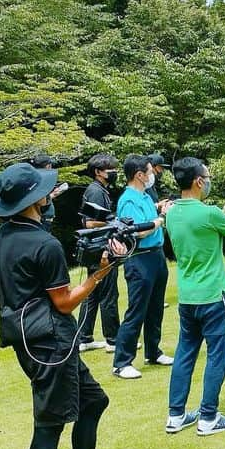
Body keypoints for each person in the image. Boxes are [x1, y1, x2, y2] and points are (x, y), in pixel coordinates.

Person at [0, 163, 120, 449]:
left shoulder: (5, 234)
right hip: (51, 344)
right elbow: (65, 303)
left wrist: (18, 316)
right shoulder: (45, 244)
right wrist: (102, 271)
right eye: (45, 190)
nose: (50, 193)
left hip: (41, 341)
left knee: (94, 402)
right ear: (34, 199)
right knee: (49, 425)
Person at [163, 158, 225, 436]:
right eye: (207, 176)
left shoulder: (172, 212)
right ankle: (208, 417)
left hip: (188, 296)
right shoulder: (209, 213)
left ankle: (176, 415)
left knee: (185, 353)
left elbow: (202, 222)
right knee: (218, 355)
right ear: (199, 181)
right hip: (214, 295)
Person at [111, 154, 172, 379]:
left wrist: (158, 207)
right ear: (139, 175)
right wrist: (160, 219)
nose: (152, 175)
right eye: (149, 171)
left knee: (155, 308)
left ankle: (153, 352)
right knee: (137, 310)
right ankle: (121, 362)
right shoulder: (128, 200)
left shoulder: (144, 196)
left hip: (156, 256)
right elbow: (137, 230)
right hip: (139, 258)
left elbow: (148, 214)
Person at [76, 153, 122, 353]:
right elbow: (89, 222)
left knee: (92, 293)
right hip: (100, 248)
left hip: (94, 247)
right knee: (108, 294)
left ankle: (83, 337)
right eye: (110, 169)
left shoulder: (97, 190)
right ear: (98, 172)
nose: (114, 173)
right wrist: (115, 221)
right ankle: (113, 339)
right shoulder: (96, 192)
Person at [29, 153, 67, 232]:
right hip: (41, 219)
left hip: (39, 219)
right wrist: (53, 194)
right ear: (48, 166)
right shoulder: (41, 178)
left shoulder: (33, 177)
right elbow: (38, 200)